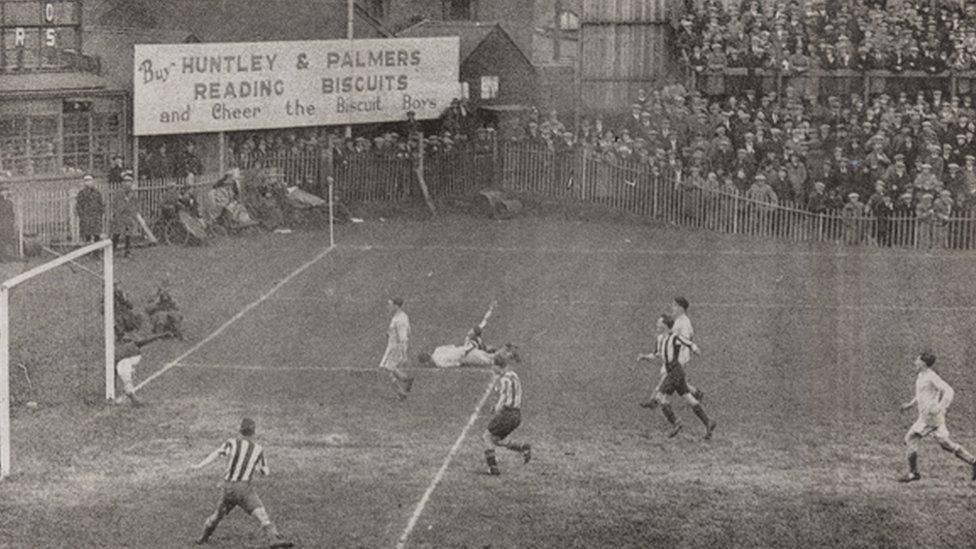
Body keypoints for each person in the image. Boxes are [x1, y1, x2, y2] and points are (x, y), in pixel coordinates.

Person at [192, 417, 293, 547]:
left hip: (228, 487)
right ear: (253, 433)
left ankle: (203, 538)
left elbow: (216, 454)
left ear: (240, 431)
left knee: (217, 515)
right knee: (262, 515)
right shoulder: (258, 449)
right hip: (244, 489)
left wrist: (198, 466)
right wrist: (259, 469)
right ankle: (273, 539)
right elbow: (265, 472)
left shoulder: (232, 442)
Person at [898, 352, 976, 483]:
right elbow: (921, 394)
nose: (915, 362)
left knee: (910, 438)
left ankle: (913, 473)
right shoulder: (921, 376)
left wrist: (941, 407)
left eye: (917, 360)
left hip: (930, 417)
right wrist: (910, 405)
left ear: (923, 363)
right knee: (945, 444)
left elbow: (949, 390)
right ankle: (973, 461)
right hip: (930, 416)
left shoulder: (932, 377)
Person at [639, 315, 716, 440]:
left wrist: (695, 349)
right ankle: (708, 422)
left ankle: (676, 423)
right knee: (689, 398)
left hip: (675, 371)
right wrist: (644, 357)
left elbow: (689, 343)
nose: (657, 325)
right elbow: (657, 354)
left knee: (659, 397)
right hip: (674, 372)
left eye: (659, 323)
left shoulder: (674, 337)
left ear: (665, 325)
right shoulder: (659, 339)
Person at [482, 355, 531, 475]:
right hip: (517, 415)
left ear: (499, 366)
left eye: (493, 366)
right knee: (497, 439)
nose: (492, 369)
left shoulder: (503, 380)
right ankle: (522, 447)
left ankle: (493, 467)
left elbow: (503, 398)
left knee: (487, 437)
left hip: (507, 413)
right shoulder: (514, 375)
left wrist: (496, 409)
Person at [380, 297, 414, 399]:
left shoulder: (399, 319)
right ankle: (406, 379)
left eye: (390, 305)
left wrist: (402, 351)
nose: (388, 307)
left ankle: (401, 392)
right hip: (393, 346)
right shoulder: (400, 317)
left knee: (386, 369)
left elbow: (403, 336)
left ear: (396, 306)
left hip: (395, 348)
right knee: (390, 368)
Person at [111, 175, 139, 258]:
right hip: (120, 215)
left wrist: (133, 213)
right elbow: (115, 203)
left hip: (128, 215)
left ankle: (127, 251)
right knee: (117, 233)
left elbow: (135, 204)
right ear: (122, 183)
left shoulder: (133, 193)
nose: (127, 184)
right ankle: (112, 250)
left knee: (128, 234)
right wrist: (116, 212)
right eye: (126, 181)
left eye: (129, 182)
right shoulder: (119, 192)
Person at [75, 175, 104, 243]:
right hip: (86, 218)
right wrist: (82, 215)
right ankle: (88, 251)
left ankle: (96, 252)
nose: (88, 183)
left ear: (93, 182)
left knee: (97, 235)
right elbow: (78, 205)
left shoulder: (97, 193)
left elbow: (101, 203)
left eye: (90, 181)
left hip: (95, 217)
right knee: (87, 236)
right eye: (86, 181)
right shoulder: (81, 193)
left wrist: (100, 213)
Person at [0, 185, 17, 262]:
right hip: (1, 223)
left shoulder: (9, 202)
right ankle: (2, 257)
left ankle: (5, 256)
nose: (5, 192)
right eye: (3, 191)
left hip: (7, 223)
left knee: (6, 239)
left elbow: (12, 214)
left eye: (6, 191)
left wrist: (12, 221)